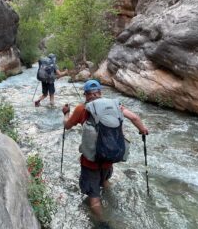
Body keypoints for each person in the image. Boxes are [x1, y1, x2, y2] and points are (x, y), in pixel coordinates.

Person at [62, 79, 149, 215]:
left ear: (85, 94)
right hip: (110, 156)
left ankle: (103, 224)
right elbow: (135, 118)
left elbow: (67, 126)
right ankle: (112, 200)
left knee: (94, 198)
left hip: (90, 162)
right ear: (100, 92)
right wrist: (143, 130)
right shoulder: (116, 105)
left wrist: (66, 113)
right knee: (105, 180)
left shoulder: (82, 109)